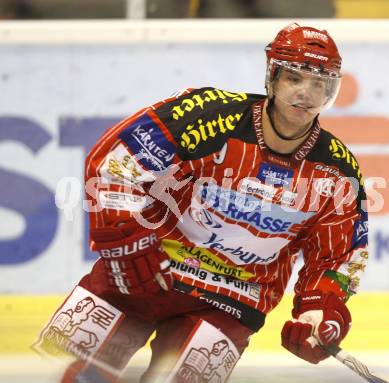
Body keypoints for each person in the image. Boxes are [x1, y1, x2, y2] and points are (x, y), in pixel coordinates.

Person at [34, 22, 369, 382]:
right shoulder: (207, 116)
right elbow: (118, 162)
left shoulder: (337, 169)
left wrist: (321, 311)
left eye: (320, 83)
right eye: (295, 78)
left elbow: (340, 254)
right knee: (79, 375)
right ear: (272, 77)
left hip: (232, 298)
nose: (306, 93)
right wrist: (128, 243)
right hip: (147, 269)